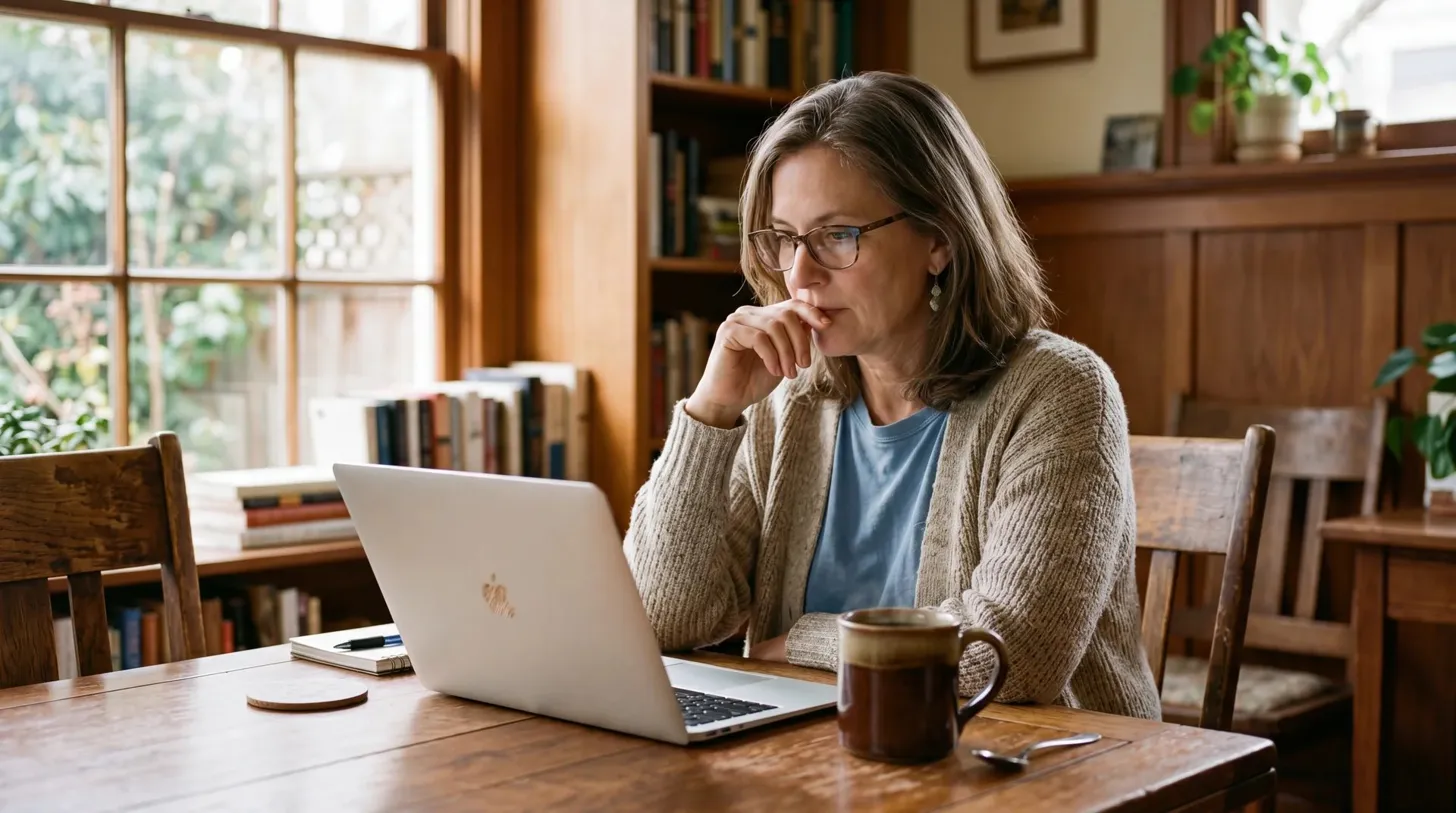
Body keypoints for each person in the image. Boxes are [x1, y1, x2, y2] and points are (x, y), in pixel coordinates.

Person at [623, 71, 1162, 720]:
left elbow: (1009, 654)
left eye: (837, 235)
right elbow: (660, 616)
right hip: (831, 758)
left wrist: (803, 639)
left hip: (1036, 771)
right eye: (784, 238)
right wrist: (711, 411)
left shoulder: (1061, 392)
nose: (799, 274)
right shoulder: (786, 402)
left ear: (939, 236)